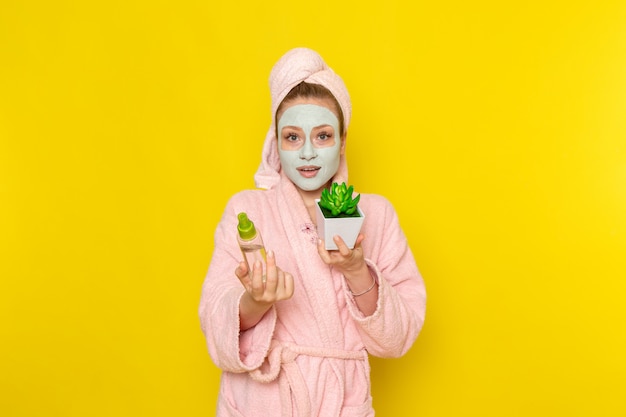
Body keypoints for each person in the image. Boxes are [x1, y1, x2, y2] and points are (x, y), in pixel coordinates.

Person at [199, 47, 426, 417]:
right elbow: (214, 325)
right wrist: (256, 301)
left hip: (340, 403)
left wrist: (356, 270)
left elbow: (398, 338)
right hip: (263, 402)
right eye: (292, 137)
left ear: (342, 140)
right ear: (275, 142)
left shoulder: (377, 215)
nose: (307, 153)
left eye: (322, 136)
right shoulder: (247, 211)